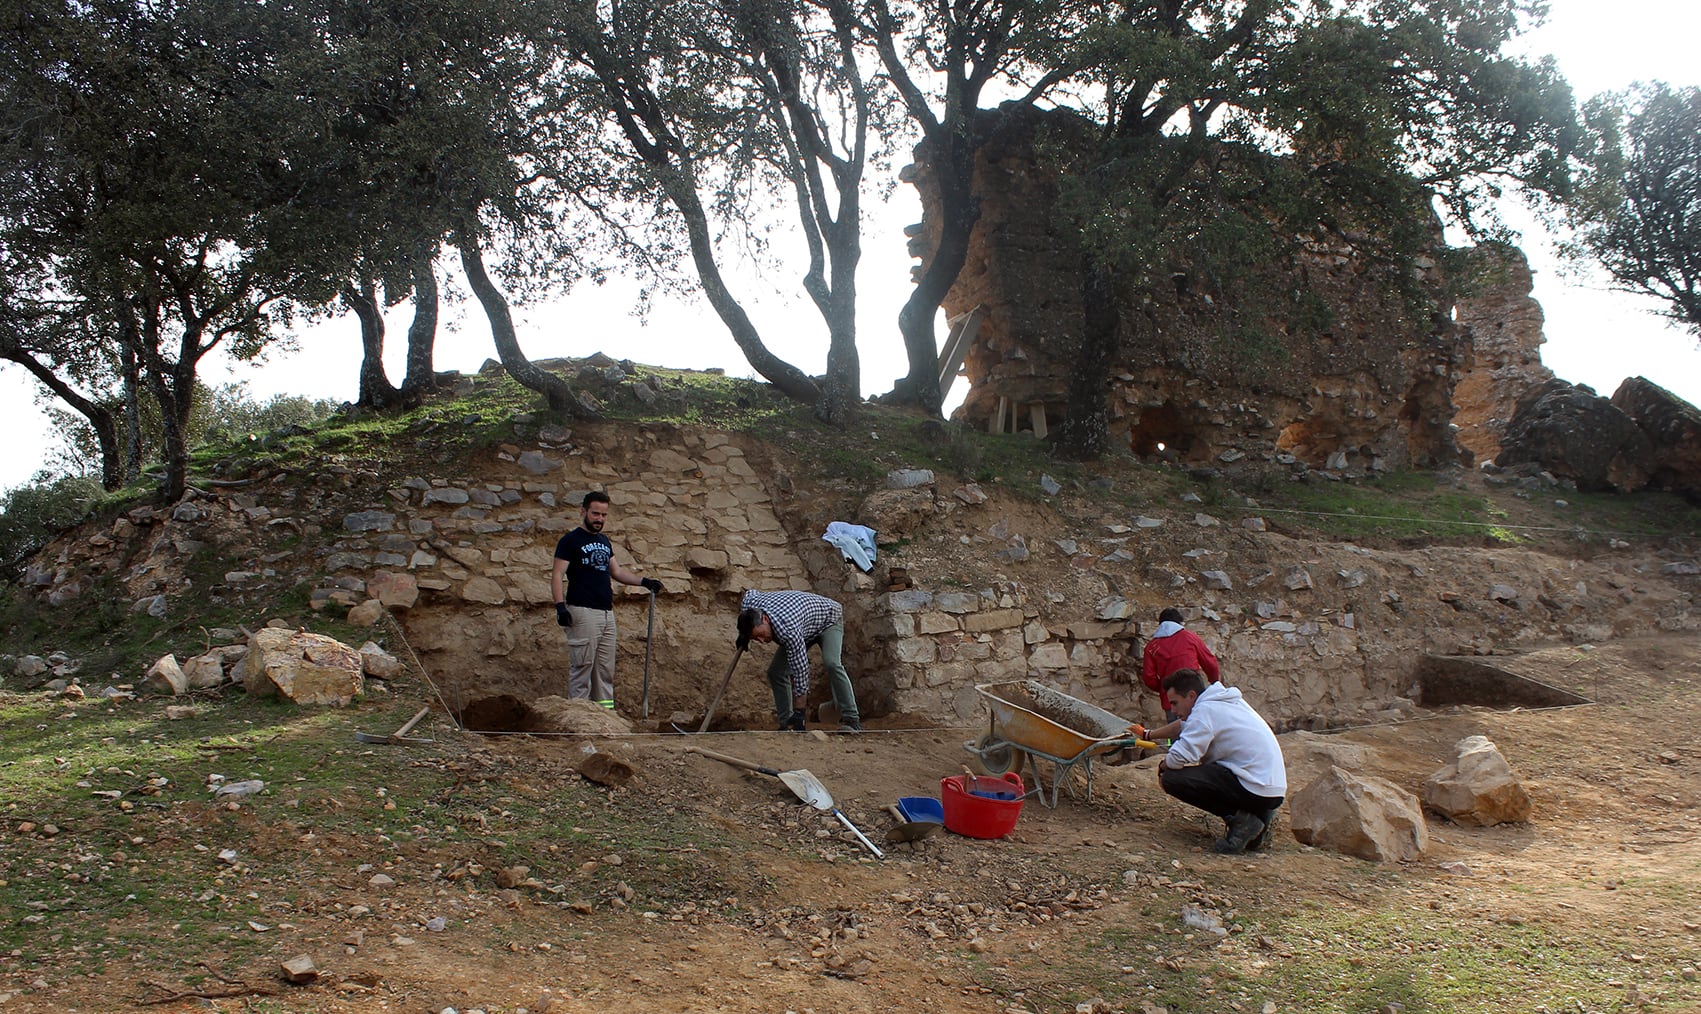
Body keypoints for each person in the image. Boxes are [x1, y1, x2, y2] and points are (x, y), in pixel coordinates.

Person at [1154, 668, 1286, 855]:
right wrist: (1148, 734)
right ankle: (1259, 820)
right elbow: (1182, 726)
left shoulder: (1205, 711)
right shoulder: (1225, 703)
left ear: (1191, 696)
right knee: (1213, 770)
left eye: (1175, 703)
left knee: (1171, 778)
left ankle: (1243, 822)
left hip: (1254, 788)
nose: (1173, 710)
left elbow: (1179, 758)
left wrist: (1162, 766)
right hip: (1271, 788)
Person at [551, 491, 663, 709]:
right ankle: (579, 717)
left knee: (605, 668)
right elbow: (557, 574)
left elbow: (617, 572)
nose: (599, 519)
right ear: (583, 511)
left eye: (603, 515)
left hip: (606, 612)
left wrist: (644, 581)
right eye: (595, 513)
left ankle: (604, 716)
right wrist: (560, 607)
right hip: (583, 611)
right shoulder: (570, 541)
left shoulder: (604, 541)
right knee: (582, 666)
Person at [735, 589, 861, 734]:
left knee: (832, 663)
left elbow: (800, 671)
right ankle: (786, 724)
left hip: (828, 619)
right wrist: (743, 635)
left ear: (766, 619)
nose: (762, 641)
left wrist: (800, 713)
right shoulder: (750, 606)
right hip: (804, 624)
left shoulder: (788, 631)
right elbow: (750, 593)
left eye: (761, 635)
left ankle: (852, 720)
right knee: (776, 672)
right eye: (755, 638)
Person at [1141, 607, 1221, 741]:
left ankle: (1175, 757)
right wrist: (1215, 683)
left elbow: (1148, 677)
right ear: (1179, 623)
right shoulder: (1190, 637)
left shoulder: (1152, 646)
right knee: (1202, 734)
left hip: (1172, 702)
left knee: (1175, 736)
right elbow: (1210, 663)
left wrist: (1164, 689)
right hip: (1195, 697)